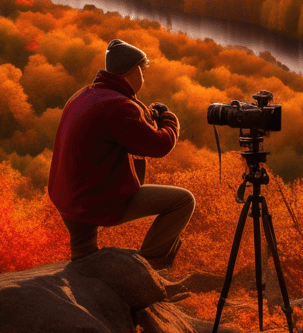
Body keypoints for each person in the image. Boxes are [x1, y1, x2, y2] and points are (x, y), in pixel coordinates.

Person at [47, 39, 195, 270]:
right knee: (183, 201)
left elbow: (118, 129)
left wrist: (146, 115)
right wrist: (170, 122)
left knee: (84, 263)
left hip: (68, 198)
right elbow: (159, 146)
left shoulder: (84, 95)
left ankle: (86, 276)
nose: (143, 78)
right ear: (134, 71)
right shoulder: (117, 106)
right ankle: (147, 268)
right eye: (142, 72)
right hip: (93, 203)